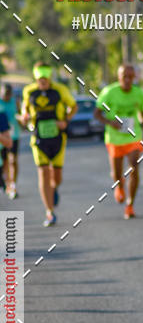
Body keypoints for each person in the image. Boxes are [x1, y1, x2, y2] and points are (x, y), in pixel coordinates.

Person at [94, 64, 143, 219]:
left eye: (130, 77)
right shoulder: (109, 92)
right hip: (114, 138)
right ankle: (119, 187)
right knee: (117, 173)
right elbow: (97, 114)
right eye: (124, 77)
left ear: (134, 77)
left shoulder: (139, 93)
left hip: (133, 136)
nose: (127, 80)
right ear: (119, 77)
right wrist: (111, 123)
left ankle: (130, 205)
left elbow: (141, 113)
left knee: (134, 166)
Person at [21, 63, 77, 226]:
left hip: (58, 138)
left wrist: (65, 121)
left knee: (56, 176)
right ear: (36, 78)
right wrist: (25, 117)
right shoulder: (29, 91)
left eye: (45, 79)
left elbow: (73, 106)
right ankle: (49, 212)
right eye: (40, 79)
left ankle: (54, 188)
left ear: (49, 77)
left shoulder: (60, 90)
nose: (42, 82)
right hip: (38, 138)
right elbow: (25, 108)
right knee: (44, 171)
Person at [0, 84, 20, 198]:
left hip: (14, 135)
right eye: (4, 94)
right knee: (5, 162)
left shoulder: (15, 102)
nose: (6, 96)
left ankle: (13, 184)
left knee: (13, 160)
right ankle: (7, 183)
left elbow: (20, 115)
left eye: (8, 94)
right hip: (2, 137)